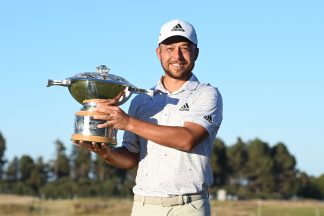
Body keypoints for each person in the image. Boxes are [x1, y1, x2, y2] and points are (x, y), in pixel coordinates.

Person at [75, 19, 223, 216]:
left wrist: (128, 122)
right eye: (169, 48)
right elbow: (130, 157)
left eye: (184, 48)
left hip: (189, 206)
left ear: (196, 53)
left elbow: (187, 139)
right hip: (145, 206)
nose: (176, 56)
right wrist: (105, 153)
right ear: (158, 53)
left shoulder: (206, 94)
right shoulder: (142, 101)